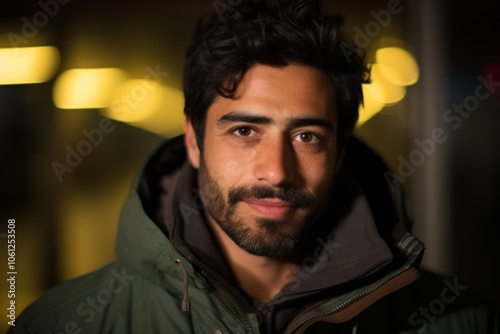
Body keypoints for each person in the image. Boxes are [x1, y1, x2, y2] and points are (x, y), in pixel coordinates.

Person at [11, 0, 498, 333]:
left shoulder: (459, 320)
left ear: (340, 152)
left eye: (306, 136)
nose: (276, 172)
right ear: (194, 141)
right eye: (244, 131)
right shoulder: (65, 323)